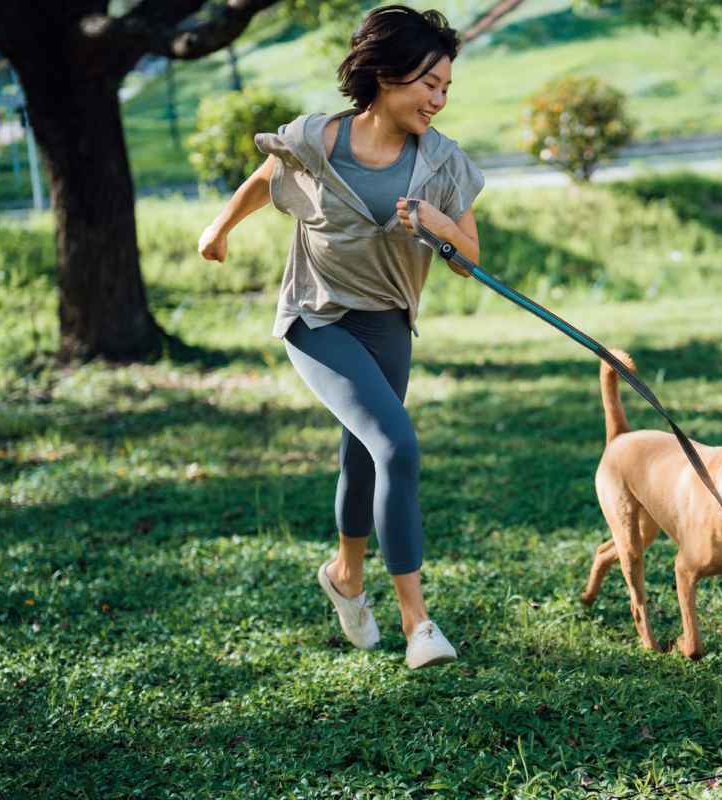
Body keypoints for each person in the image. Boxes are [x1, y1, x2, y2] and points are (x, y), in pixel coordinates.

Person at [197, 5, 484, 668]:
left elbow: (470, 256)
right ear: (386, 76)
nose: (438, 100)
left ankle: (347, 577)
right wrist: (218, 230)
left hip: (389, 321)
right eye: (428, 84)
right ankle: (419, 625)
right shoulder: (317, 141)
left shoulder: (442, 164)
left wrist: (436, 222)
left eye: (446, 88)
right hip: (317, 317)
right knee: (397, 446)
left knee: (364, 454)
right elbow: (268, 179)